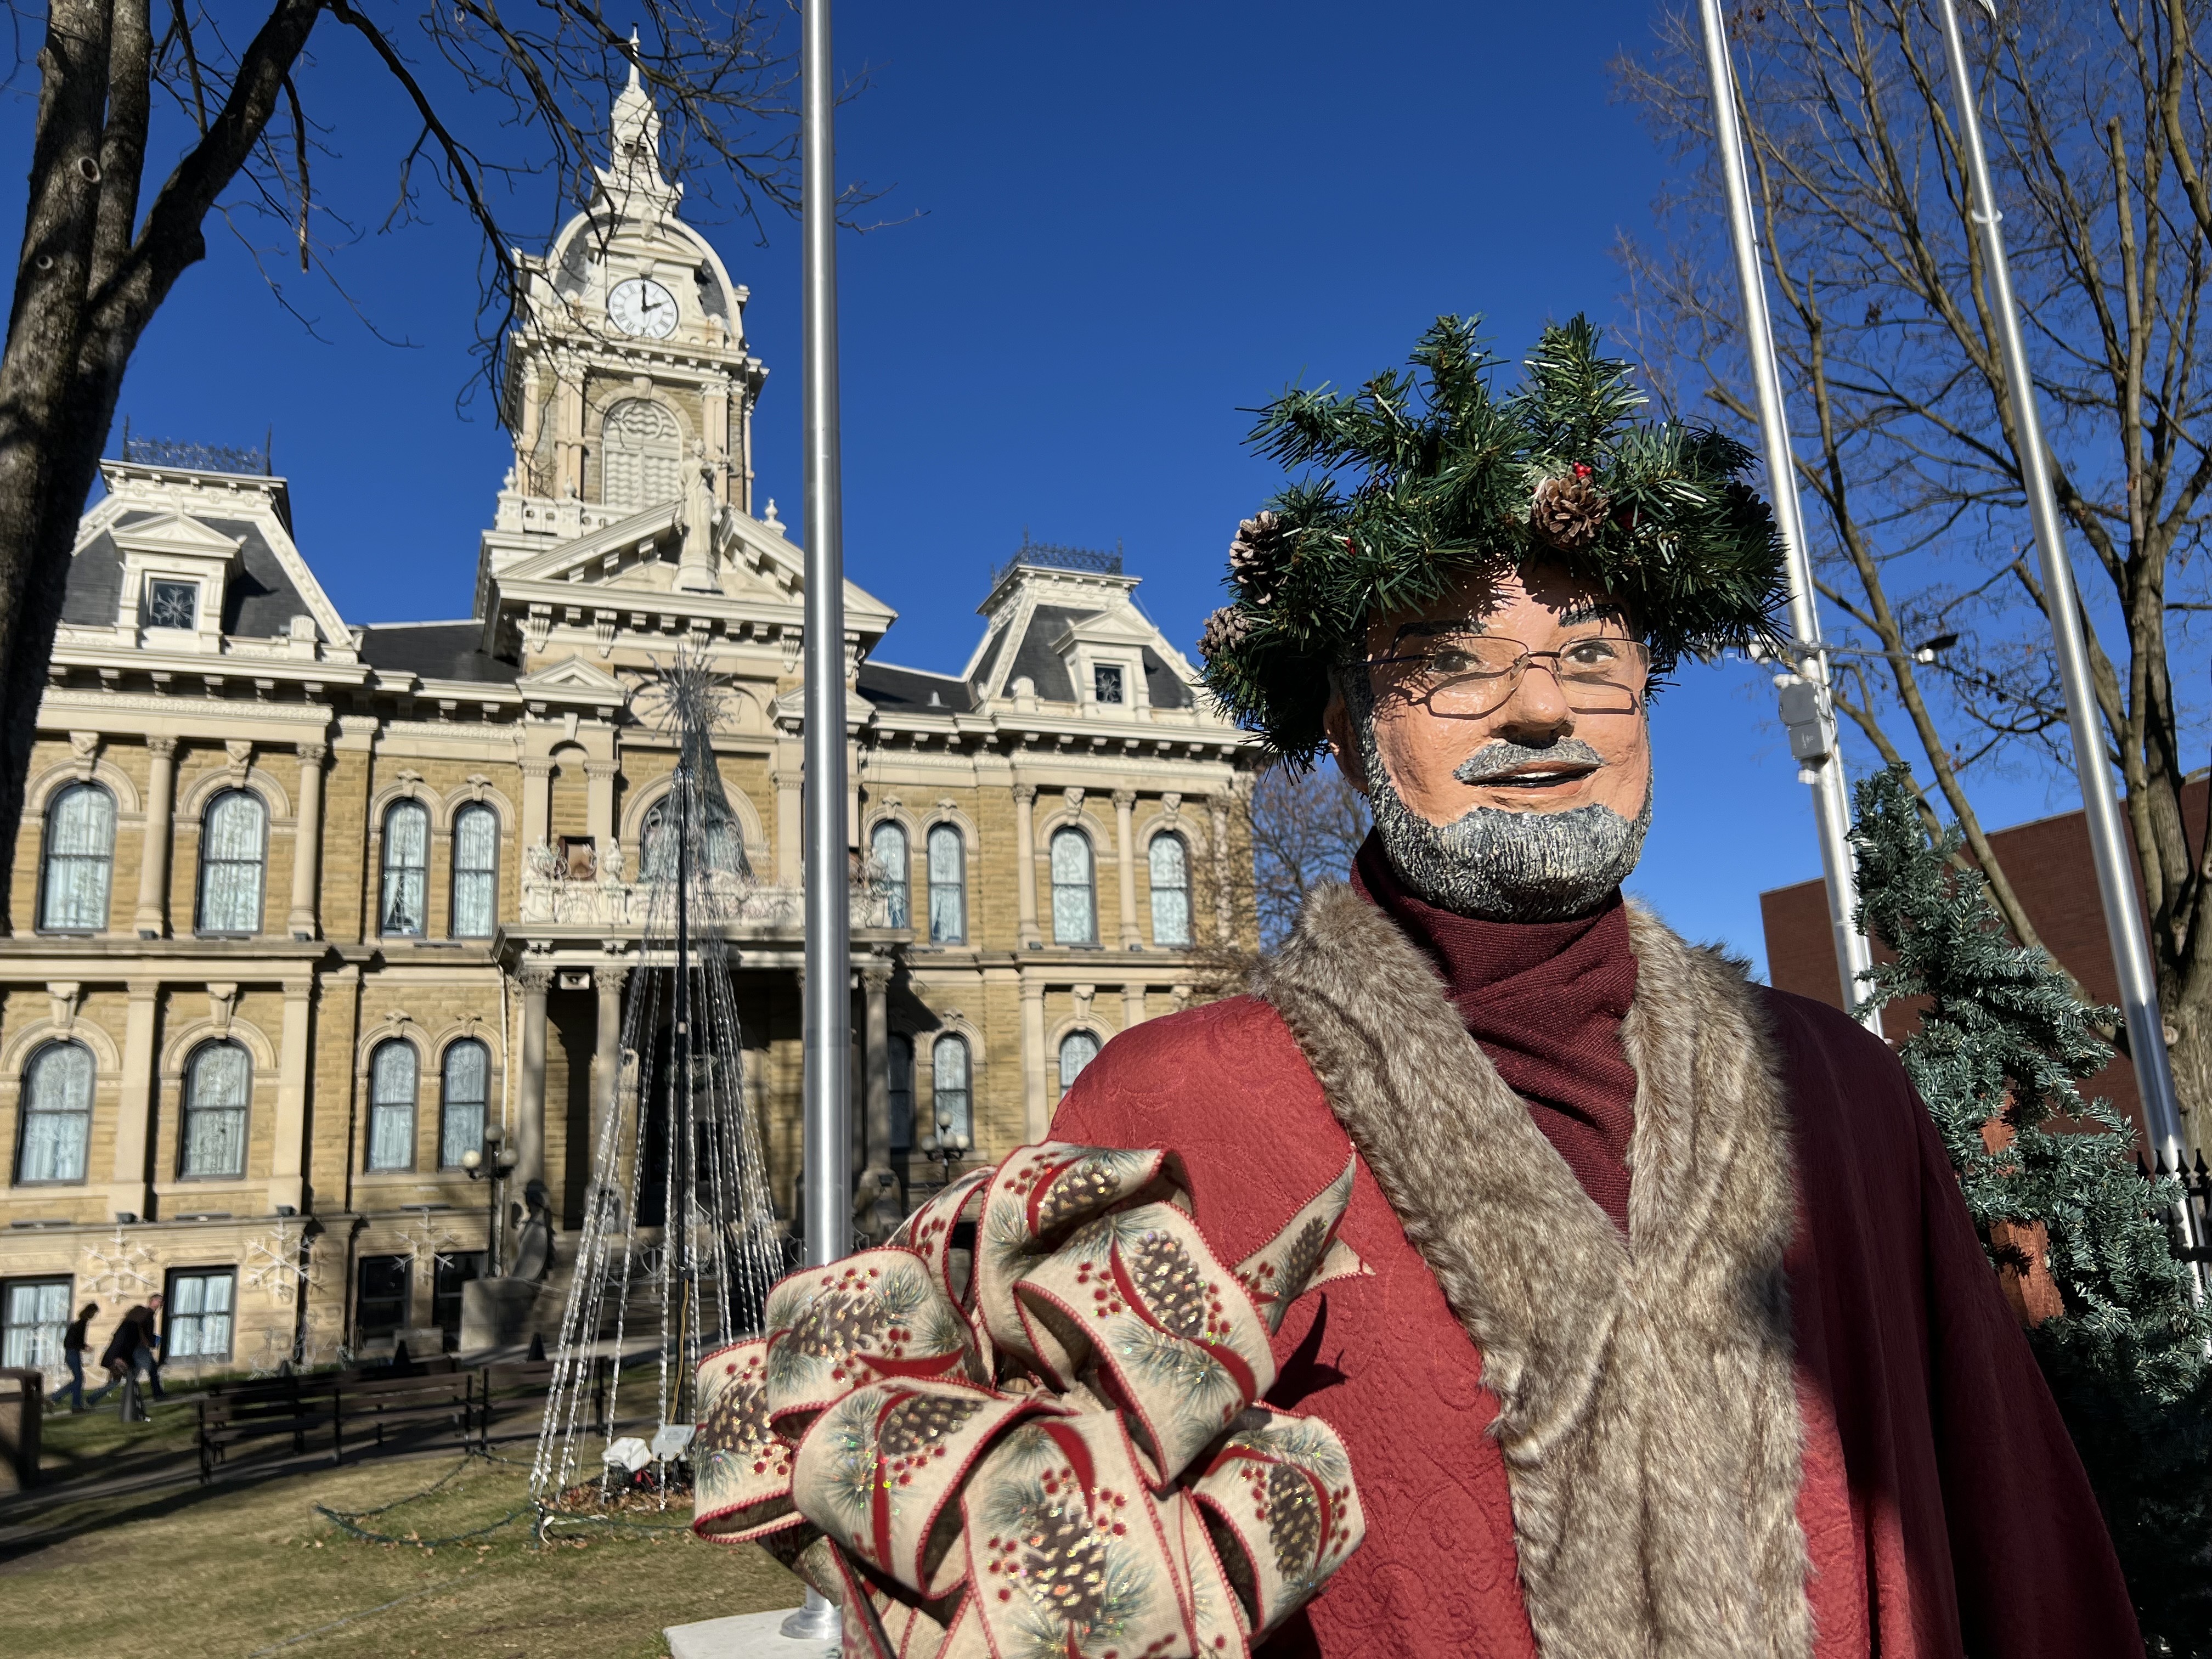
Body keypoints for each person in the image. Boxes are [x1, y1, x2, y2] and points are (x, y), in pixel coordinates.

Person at [1051, 318, 2142, 1657]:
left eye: (1590, 657)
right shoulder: (1174, 1115)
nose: (1539, 710)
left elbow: (2008, 1523)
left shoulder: (1840, 1091)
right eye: (1450, 662)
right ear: (1346, 737)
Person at [58, 1301, 96, 1411]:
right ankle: (72, 1403)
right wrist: (84, 1347)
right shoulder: (82, 1324)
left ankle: (63, 1399)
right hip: (73, 1353)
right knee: (79, 1379)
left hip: (72, 1353)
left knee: (78, 1379)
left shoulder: (79, 1324)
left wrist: (83, 1346)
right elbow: (74, 1342)